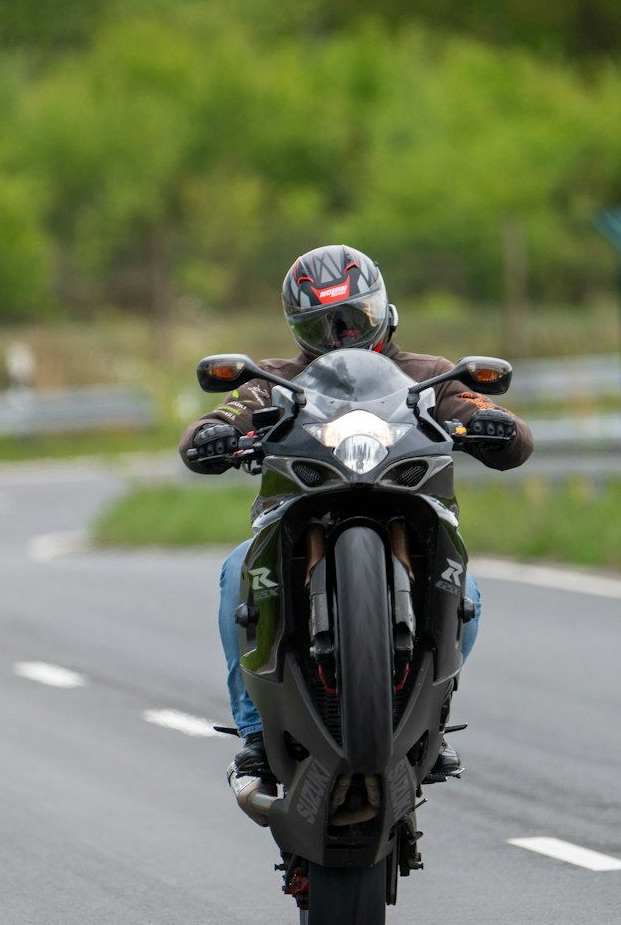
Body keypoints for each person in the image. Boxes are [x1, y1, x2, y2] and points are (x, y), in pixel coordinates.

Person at [179, 244, 534, 783]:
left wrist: (496, 425)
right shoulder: (272, 379)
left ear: (382, 310)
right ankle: (255, 732)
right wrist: (215, 434)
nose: (342, 336)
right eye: (324, 326)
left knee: (468, 593)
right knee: (236, 575)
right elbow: (223, 413)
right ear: (298, 327)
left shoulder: (429, 375)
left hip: (408, 508)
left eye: (353, 320)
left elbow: (485, 412)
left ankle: (429, 722)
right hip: (298, 515)